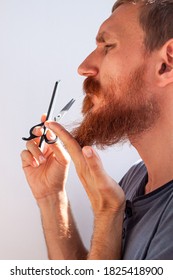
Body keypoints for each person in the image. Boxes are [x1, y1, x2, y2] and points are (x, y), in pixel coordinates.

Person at [21, 0, 173, 259]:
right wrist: (51, 198)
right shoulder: (136, 179)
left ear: (166, 64)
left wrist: (107, 215)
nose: (83, 68)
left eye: (107, 46)